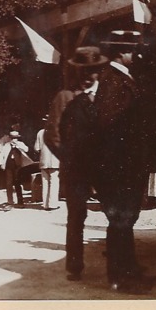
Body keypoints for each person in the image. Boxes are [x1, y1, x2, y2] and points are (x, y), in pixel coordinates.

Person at [93, 29, 156, 293]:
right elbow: (110, 124)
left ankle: (129, 269)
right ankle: (120, 277)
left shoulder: (121, 78)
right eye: (131, 49)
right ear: (121, 52)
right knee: (120, 220)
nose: (135, 54)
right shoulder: (114, 81)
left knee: (126, 219)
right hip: (120, 165)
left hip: (126, 162)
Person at [51, 45, 108, 281]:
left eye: (92, 71)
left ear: (99, 72)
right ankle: (74, 266)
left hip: (103, 168)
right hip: (76, 169)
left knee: (115, 214)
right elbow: (52, 135)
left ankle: (119, 264)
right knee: (76, 217)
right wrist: (69, 158)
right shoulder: (65, 97)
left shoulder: (107, 96)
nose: (87, 77)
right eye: (82, 71)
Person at [0, 127, 33, 209]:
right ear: (10, 138)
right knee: (9, 183)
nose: (14, 140)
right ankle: (10, 201)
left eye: (15, 138)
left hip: (18, 166)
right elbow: (1, 154)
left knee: (17, 183)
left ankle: (20, 201)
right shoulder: (6, 145)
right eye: (12, 138)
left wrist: (18, 145)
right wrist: (1, 163)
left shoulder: (20, 144)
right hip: (9, 166)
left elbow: (26, 149)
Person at [34, 117, 60, 210]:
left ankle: (45, 204)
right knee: (54, 182)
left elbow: (36, 148)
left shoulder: (40, 133)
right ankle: (52, 204)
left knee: (45, 182)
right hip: (55, 161)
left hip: (44, 161)